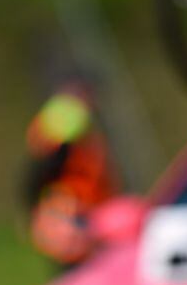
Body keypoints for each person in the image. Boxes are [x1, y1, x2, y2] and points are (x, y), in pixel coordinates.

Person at [24, 80, 119, 268]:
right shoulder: (57, 139)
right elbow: (36, 176)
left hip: (85, 212)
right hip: (68, 213)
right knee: (74, 270)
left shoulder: (88, 143)